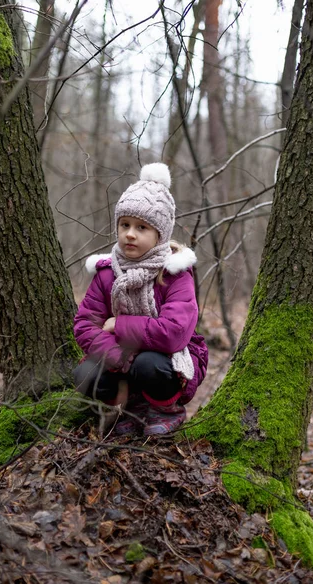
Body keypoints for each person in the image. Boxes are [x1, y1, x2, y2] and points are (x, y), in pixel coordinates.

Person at [73, 163, 208, 436]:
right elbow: (85, 324)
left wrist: (119, 325)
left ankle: (165, 410)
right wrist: (119, 354)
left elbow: (174, 333)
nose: (130, 234)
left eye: (142, 227)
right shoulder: (107, 273)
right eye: (124, 225)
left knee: (148, 364)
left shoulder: (175, 272)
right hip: (121, 355)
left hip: (167, 360)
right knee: (84, 374)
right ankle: (129, 410)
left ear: (161, 234)